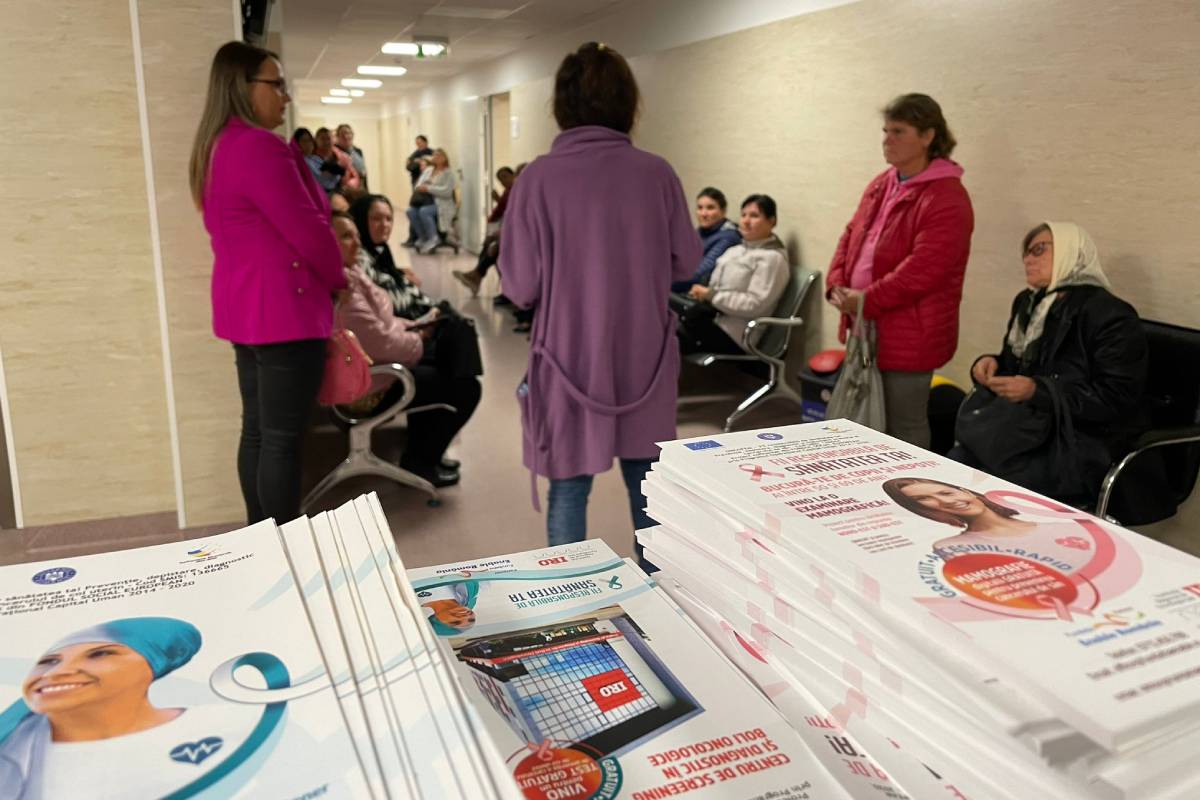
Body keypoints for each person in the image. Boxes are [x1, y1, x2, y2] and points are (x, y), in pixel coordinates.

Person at [501, 42, 702, 564]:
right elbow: (687, 262)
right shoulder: (657, 173)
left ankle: (571, 595)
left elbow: (519, 287)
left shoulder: (537, 179)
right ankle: (661, 593)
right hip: (643, 355)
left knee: (569, 490)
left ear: (562, 104)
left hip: (568, 357)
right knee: (648, 489)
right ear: (627, 103)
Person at [189, 40, 345, 524]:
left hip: (245, 312)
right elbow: (309, 230)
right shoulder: (258, 147)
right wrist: (338, 280)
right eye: (276, 85)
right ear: (243, 86)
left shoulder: (216, 146)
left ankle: (262, 537)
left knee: (257, 431)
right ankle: (281, 542)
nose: (285, 96)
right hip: (284, 312)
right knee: (280, 439)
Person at [949, 222, 1148, 505]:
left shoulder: (1110, 314)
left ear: (1071, 252)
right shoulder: (1029, 302)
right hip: (1030, 429)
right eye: (1026, 253)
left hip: (1079, 440)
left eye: (1039, 250)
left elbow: (1116, 397)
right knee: (956, 463)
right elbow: (1017, 366)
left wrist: (1037, 391)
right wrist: (989, 364)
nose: (1028, 259)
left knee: (989, 488)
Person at [825, 93, 974, 448]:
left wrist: (866, 299)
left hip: (909, 330)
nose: (887, 140)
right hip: (865, 320)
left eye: (899, 132)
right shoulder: (883, 183)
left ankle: (909, 481)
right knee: (862, 417)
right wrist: (836, 282)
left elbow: (924, 269)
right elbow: (852, 234)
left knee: (903, 426)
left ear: (928, 136)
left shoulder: (947, 196)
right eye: (885, 131)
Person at [0, 618, 237, 797]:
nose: (56, 672)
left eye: (100, 654)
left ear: (154, 665)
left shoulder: (232, 723)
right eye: (49, 661)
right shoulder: (13, 755)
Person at [332, 213, 480, 486]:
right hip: (367, 386)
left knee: (448, 364)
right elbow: (381, 342)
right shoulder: (344, 290)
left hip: (374, 367)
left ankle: (423, 454)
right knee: (466, 387)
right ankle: (421, 461)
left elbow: (383, 324)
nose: (357, 243)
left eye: (356, 235)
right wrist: (419, 338)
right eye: (346, 236)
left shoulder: (351, 273)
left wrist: (415, 326)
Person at [882, 477, 1100, 574]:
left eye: (946, 492)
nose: (945, 501)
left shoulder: (1067, 528)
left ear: (964, 490)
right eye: (924, 500)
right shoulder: (950, 547)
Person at [674, 194, 788, 355]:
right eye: (743, 215)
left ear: (772, 221)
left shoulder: (772, 259)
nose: (746, 221)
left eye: (754, 216)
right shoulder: (736, 250)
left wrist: (712, 296)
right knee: (660, 321)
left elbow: (755, 304)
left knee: (664, 334)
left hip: (735, 333)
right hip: (709, 318)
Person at [349, 194, 437, 320]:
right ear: (361, 220)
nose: (384, 225)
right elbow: (392, 304)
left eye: (389, 219)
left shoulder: (380, 249)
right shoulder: (359, 257)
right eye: (376, 219)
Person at [452, 166, 517, 296]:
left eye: (505, 177)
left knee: (494, 248)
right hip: (507, 229)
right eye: (500, 179)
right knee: (488, 245)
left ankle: (477, 276)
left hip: (514, 233)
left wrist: (499, 236)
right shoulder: (509, 191)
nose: (503, 181)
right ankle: (477, 276)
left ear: (513, 175)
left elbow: (511, 213)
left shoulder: (516, 191)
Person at [671, 187, 742, 293]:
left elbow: (700, 274)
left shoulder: (728, 237)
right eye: (700, 208)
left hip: (700, 294)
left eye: (710, 208)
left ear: (723, 211)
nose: (703, 214)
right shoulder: (702, 231)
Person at [406, 148, 458, 254]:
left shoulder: (449, 173)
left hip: (443, 204)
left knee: (424, 211)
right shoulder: (428, 170)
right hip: (426, 201)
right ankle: (423, 237)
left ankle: (434, 238)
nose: (436, 157)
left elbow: (447, 191)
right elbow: (418, 185)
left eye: (439, 155)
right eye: (434, 155)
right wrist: (423, 186)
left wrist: (429, 188)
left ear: (445, 158)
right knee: (410, 211)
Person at [313, 126, 360, 193]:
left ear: (333, 140)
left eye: (328, 138)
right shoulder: (311, 158)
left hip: (344, 191)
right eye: (323, 139)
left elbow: (354, 176)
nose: (326, 142)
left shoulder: (343, 157)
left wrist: (348, 186)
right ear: (316, 140)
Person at [334, 123, 367, 191]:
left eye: (348, 133)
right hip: (343, 190)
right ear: (337, 136)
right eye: (343, 134)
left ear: (352, 135)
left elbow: (363, 173)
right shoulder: (334, 151)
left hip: (359, 189)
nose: (346, 136)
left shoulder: (358, 151)